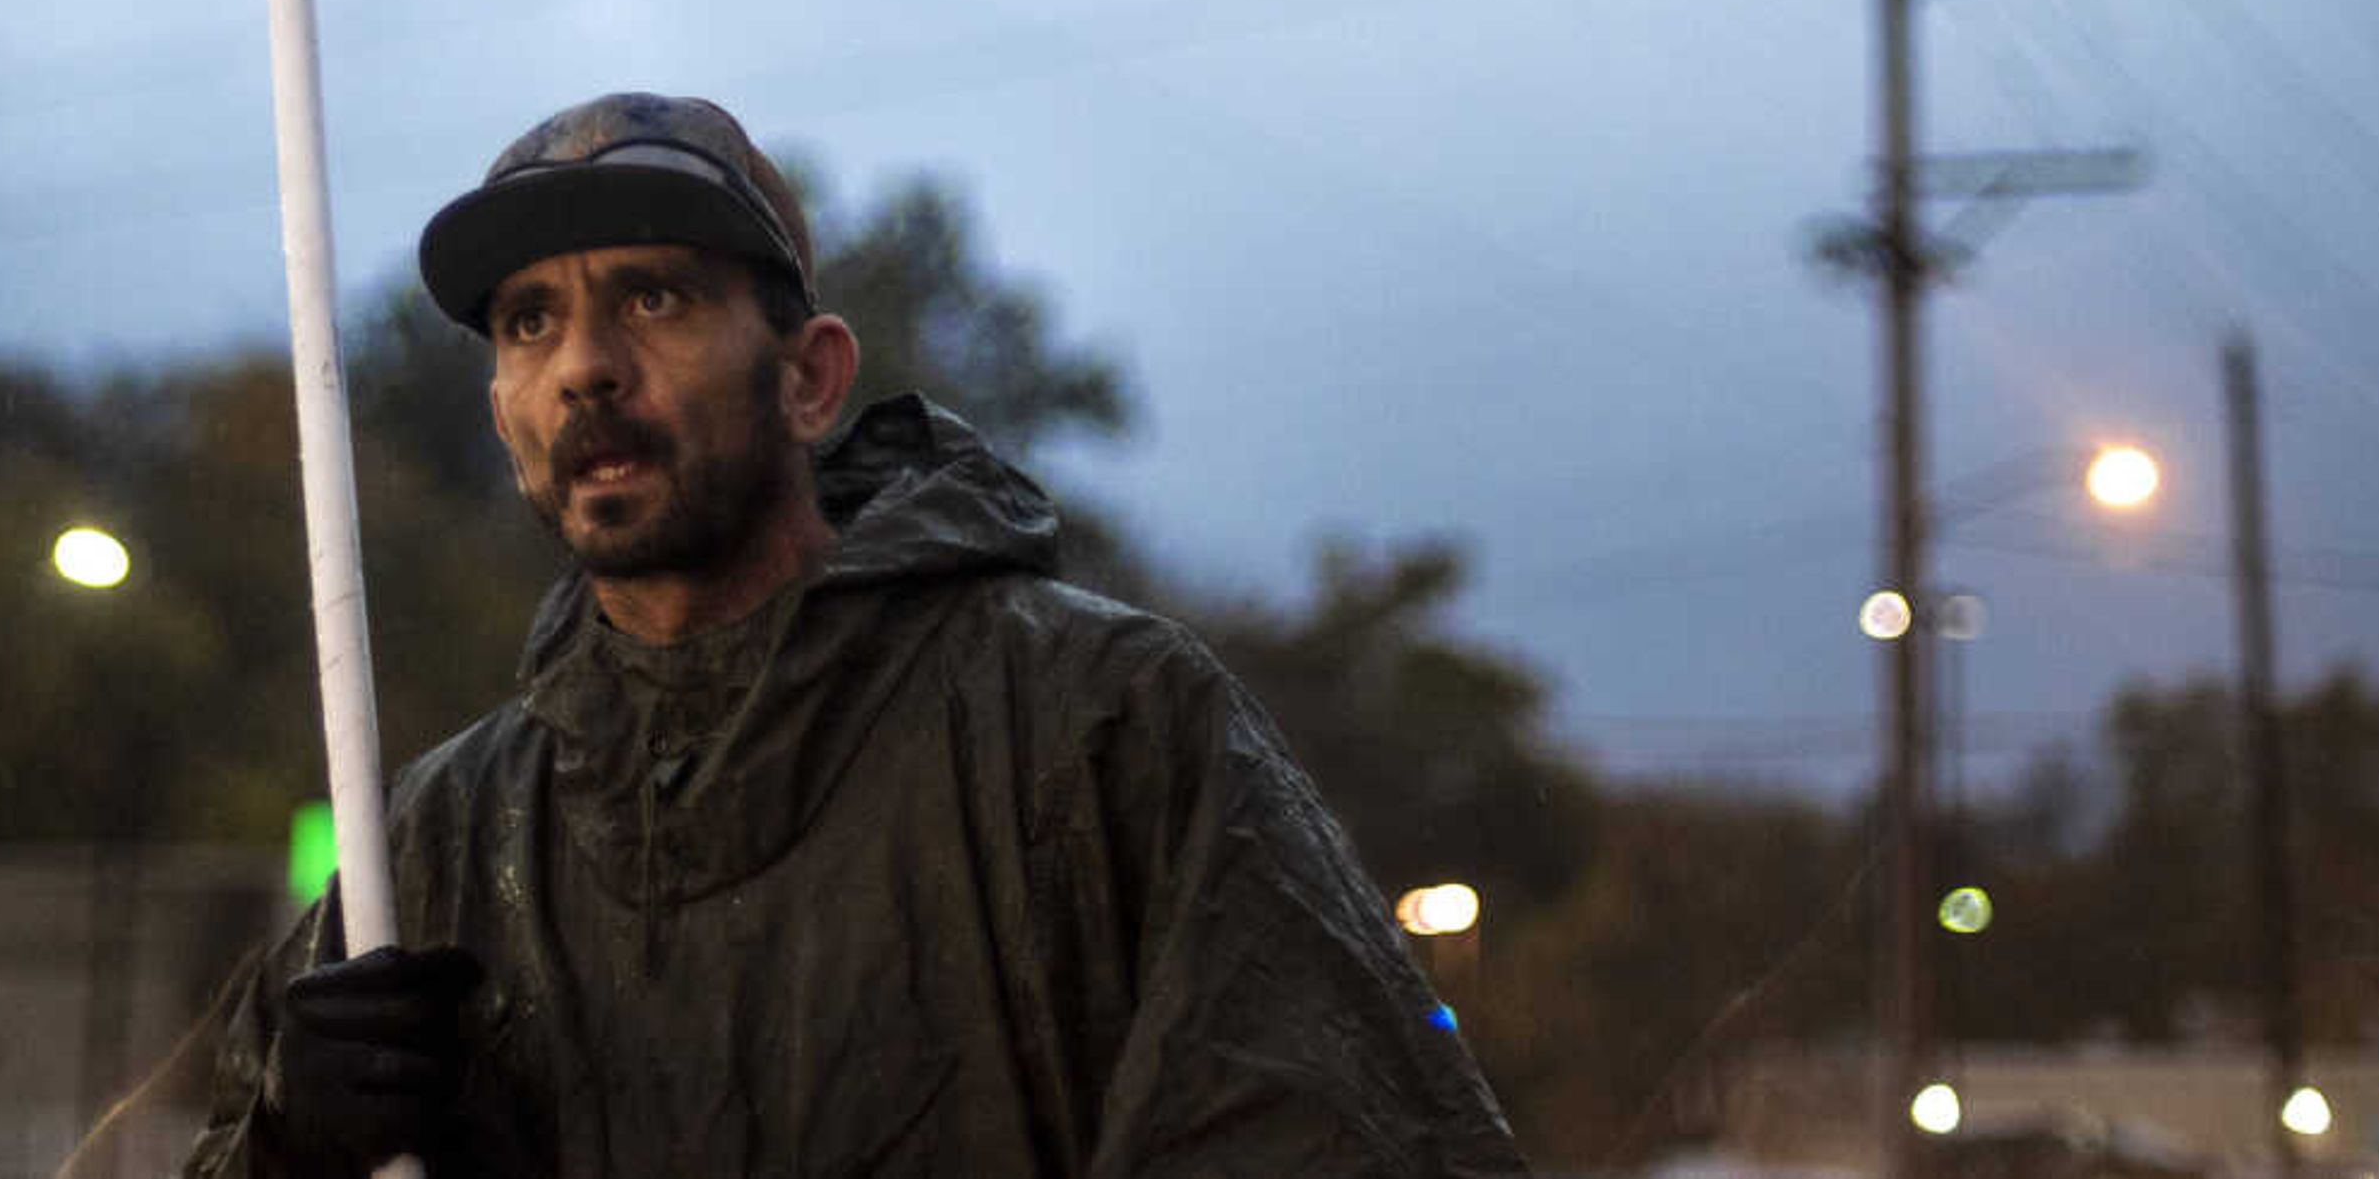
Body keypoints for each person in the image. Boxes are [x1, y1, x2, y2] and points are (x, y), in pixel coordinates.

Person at [182, 90, 1530, 1179]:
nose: (584, 363)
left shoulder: (1095, 721)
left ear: (812, 375)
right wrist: (291, 1145)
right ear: (502, 413)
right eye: (530, 321)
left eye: (653, 296)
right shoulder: (427, 841)